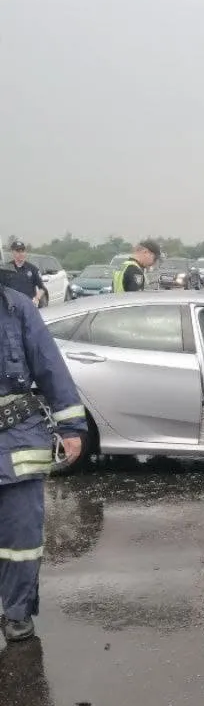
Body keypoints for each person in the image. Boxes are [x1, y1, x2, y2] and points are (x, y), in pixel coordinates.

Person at [0, 272, 87, 642]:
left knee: (21, 537)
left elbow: (50, 365)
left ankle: (17, 612)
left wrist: (72, 428)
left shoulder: (16, 308)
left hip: (16, 441)